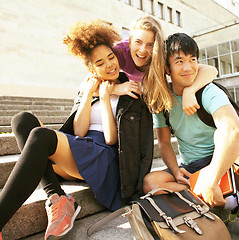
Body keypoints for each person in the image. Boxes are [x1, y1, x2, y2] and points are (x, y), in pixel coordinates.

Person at [0, 19, 153, 240]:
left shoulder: (131, 92)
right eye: (100, 63)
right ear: (91, 68)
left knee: (41, 137)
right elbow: (79, 132)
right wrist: (90, 94)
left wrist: (107, 95)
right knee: (22, 119)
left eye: (111, 57)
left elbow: (111, 139)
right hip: (81, 148)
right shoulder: (88, 88)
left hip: (104, 159)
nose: (109, 65)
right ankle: (58, 198)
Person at [143, 33, 239, 240]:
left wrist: (212, 177)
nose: (188, 67)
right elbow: (163, 143)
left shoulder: (208, 91)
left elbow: (233, 131)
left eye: (192, 60)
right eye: (179, 61)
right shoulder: (163, 101)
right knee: (151, 182)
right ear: (168, 69)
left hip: (222, 159)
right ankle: (224, 198)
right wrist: (175, 171)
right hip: (192, 166)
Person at [87, 15, 218, 114]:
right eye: (138, 42)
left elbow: (211, 71)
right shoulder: (119, 52)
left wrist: (190, 91)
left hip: (150, 87)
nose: (143, 50)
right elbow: (86, 86)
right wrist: (118, 89)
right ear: (130, 40)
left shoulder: (161, 54)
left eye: (150, 45)